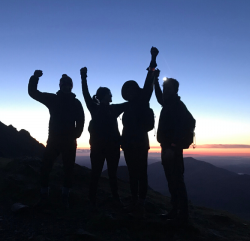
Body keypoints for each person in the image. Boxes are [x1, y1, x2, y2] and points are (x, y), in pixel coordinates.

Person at [28, 70, 85, 208]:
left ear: (71, 86)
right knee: (48, 167)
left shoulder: (70, 102)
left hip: (66, 141)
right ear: (61, 86)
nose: (66, 86)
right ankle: (47, 197)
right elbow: (33, 93)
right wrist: (35, 78)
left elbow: (81, 120)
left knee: (66, 170)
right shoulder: (57, 99)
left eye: (67, 84)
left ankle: (60, 197)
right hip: (56, 140)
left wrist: (76, 135)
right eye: (64, 84)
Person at [80, 67, 128, 209]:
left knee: (102, 173)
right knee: (104, 173)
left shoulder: (104, 108)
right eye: (109, 94)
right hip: (107, 147)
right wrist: (83, 77)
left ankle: (94, 198)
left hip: (102, 147)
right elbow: (85, 93)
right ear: (104, 96)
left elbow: (129, 103)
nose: (111, 96)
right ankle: (110, 198)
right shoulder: (101, 108)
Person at [120, 47, 158, 217]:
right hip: (129, 143)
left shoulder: (143, 99)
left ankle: (140, 203)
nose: (129, 93)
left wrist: (153, 58)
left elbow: (149, 79)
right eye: (127, 91)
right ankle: (136, 200)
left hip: (139, 143)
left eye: (130, 90)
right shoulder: (129, 105)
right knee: (133, 172)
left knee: (140, 173)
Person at [154, 70, 195, 226]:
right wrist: (155, 80)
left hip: (173, 149)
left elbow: (190, 122)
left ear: (175, 90)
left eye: (168, 89)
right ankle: (175, 211)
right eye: (165, 89)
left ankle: (182, 215)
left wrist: (174, 145)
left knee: (176, 180)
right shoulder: (169, 103)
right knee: (172, 180)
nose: (165, 91)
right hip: (167, 148)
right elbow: (158, 96)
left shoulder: (177, 105)